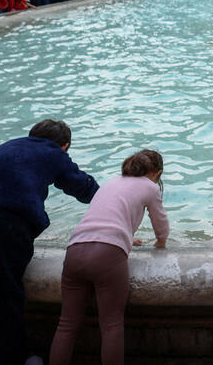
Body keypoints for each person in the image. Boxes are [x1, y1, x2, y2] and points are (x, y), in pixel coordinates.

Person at [0, 120, 99, 365]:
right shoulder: (54, 152)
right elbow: (84, 188)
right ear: (65, 146)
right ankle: (13, 359)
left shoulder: (8, 146)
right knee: (5, 297)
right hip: (4, 222)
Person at [48, 150, 169, 365]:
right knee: (111, 325)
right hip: (108, 254)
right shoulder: (150, 187)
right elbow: (161, 225)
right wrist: (160, 242)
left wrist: (128, 237)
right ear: (156, 173)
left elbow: (106, 216)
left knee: (66, 324)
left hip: (75, 249)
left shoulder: (112, 182)